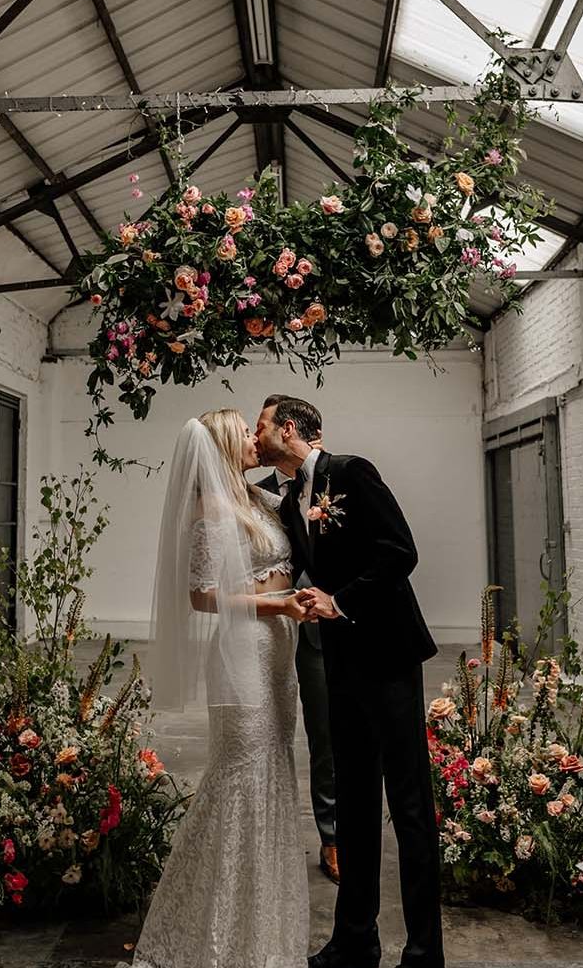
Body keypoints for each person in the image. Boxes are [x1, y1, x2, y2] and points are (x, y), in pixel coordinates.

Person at [255, 396, 444, 968]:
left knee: (409, 805)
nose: (257, 437)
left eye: (262, 426)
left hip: (389, 656)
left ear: (289, 428)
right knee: (356, 802)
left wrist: (339, 602)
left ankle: (423, 952)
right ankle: (355, 941)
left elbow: (400, 552)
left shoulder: (352, 472)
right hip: (339, 663)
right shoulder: (290, 498)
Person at [131, 410, 312, 968]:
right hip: (244, 650)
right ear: (223, 445)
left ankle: (262, 917)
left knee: (273, 765)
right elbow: (202, 595)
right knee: (241, 772)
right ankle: (217, 926)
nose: (255, 438)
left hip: (278, 648)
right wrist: (278, 606)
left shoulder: (256, 498)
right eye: (244, 432)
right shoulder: (210, 509)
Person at [254, 394, 339, 885]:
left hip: (317, 629)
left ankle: (333, 836)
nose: (257, 434)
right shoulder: (256, 493)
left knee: (326, 734)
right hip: (265, 630)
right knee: (266, 734)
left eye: (262, 425)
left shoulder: (331, 484)